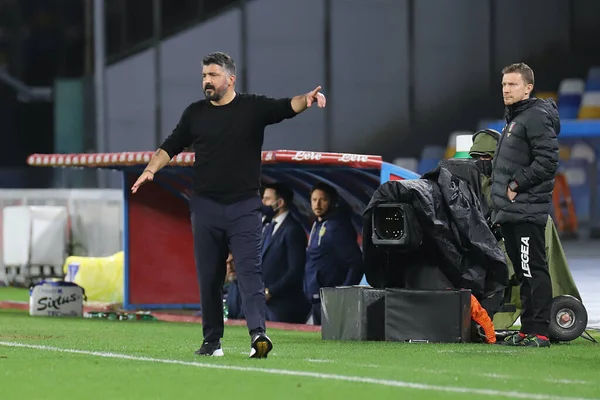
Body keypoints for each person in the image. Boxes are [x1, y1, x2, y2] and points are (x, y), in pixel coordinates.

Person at [130, 51, 326, 357]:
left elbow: (287, 106)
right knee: (209, 276)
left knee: (250, 272)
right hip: (205, 207)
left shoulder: (253, 107)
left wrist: (308, 99)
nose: (207, 81)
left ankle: (258, 335)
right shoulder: (195, 113)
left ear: (230, 79)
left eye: (213, 75)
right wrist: (150, 170)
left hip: (244, 207)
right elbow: (170, 145)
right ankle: (212, 342)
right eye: (204, 76)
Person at [491, 62, 560, 347]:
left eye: (513, 85)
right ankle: (527, 329)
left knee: (533, 269)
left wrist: (515, 186)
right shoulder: (515, 118)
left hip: (526, 208)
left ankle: (540, 331)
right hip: (511, 211)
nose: (506, 90)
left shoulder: (535, 117)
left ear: (528, 87)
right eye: (504, 84)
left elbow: (547, 161)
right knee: (522, 272)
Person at [305, 182, 364, 325]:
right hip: (316, 298)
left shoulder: (336, 228)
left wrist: (343, 292)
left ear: (332, 202)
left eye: (323, 199)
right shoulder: (317, 225)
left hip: (331, 300)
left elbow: (356, 262)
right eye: (314, 200)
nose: (317, 204)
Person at [260, 183, 311, 323]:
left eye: (267, 199)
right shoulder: (268, 226)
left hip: (283, 306)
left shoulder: (293, 229)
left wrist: (271, 291)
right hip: (264, 303)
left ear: (280, 202)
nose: (262, 203)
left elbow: (295, 269)